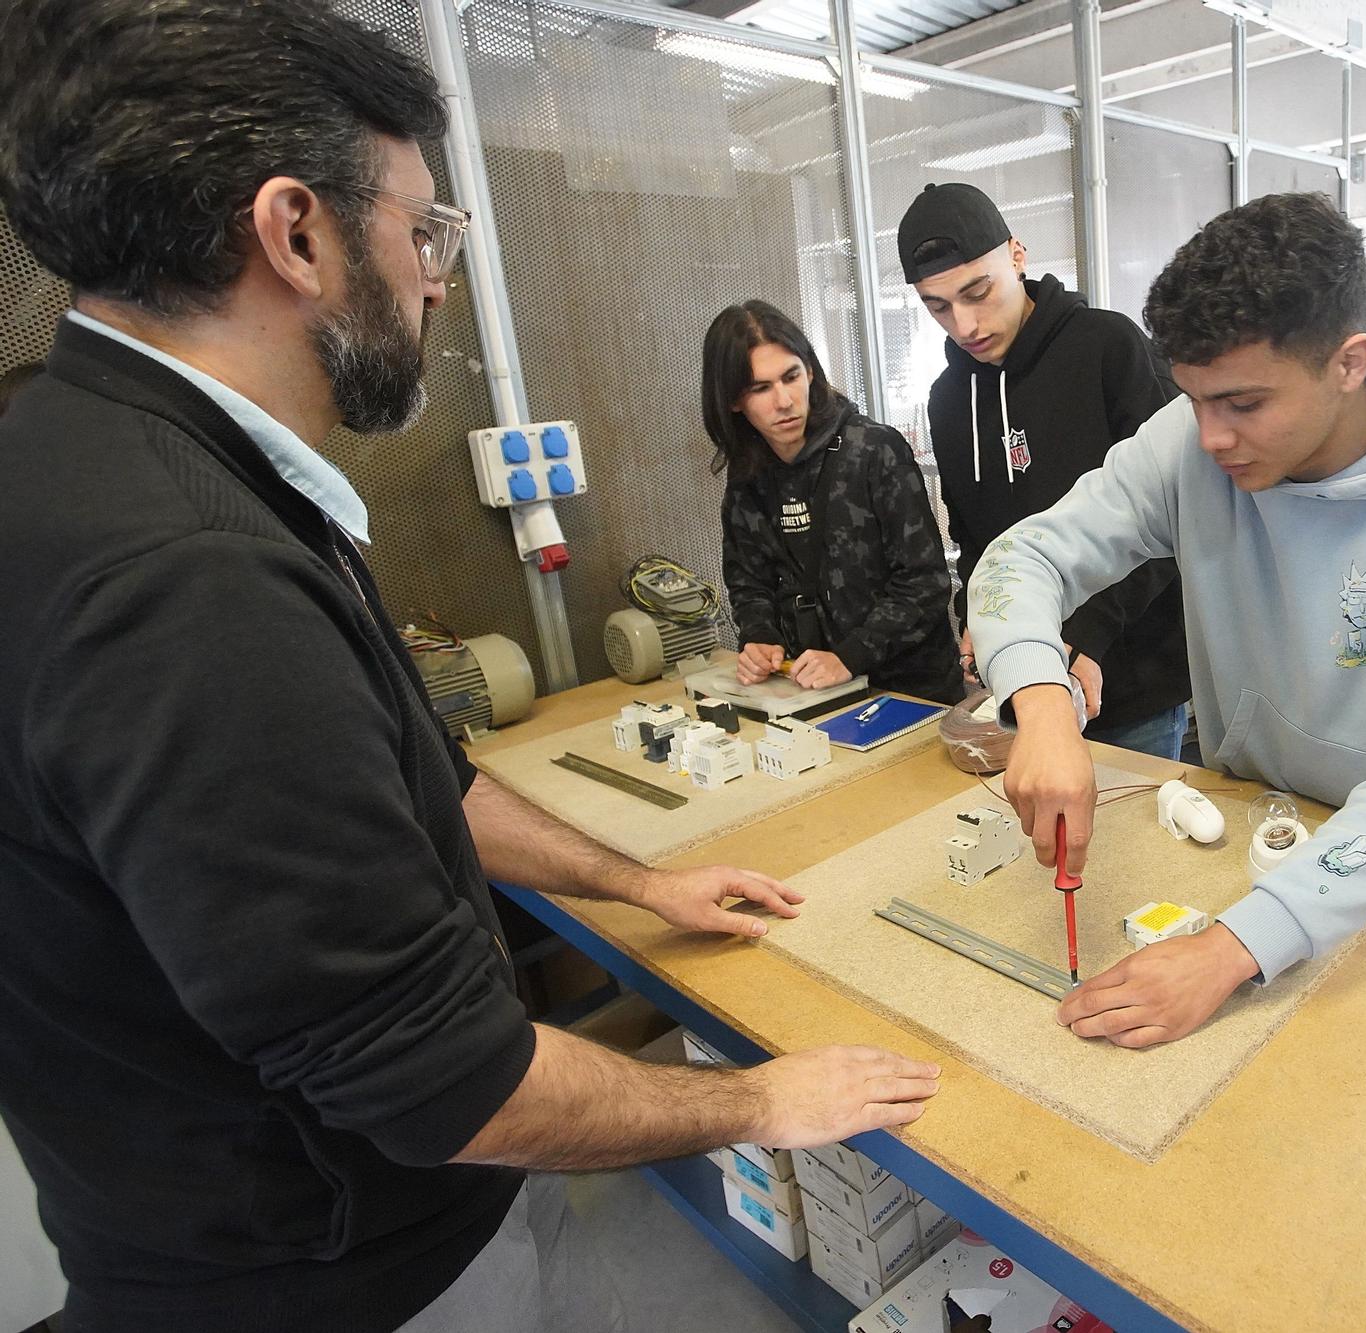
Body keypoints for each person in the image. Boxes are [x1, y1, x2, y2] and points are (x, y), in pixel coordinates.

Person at [0, 4, 937, 1330]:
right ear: (298, 233)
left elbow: (421, 776)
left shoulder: (107, 455)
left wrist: (642, 879)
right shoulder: (181, 579)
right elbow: (448, 1085)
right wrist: (759, 1101)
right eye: (423, 229)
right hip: (330, 1280)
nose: (438, 279)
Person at [967, 193, 1366, 1048]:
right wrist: (1044, 706)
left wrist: (1231, 949)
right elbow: (1022, 559)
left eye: (1242, 404)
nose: (1210, 437)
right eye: (1194, 399)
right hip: (1240, 818)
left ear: (1349, 362)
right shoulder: (1187, 440)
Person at [899, 181, 1193, 759]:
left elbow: (1174, 512)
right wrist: (979, 622)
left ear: (1016, 255)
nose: (964, 325)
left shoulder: (1108, 347)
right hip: (1025, 681)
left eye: (977, 292)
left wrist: (1088, 639)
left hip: (1130, 678)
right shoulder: (949, 398)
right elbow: (974, 538)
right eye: (938, 307)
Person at [706, 300, 963, 705]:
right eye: (761, 388)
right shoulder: (747, 475)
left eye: (791, 377)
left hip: (909, 689)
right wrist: (760, 638)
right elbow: (748, 582)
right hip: (808, 691)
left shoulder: (874, 450)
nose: (785, 400)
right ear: (734, 400)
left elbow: (925, 582)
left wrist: (850, 655)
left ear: (809, 371)